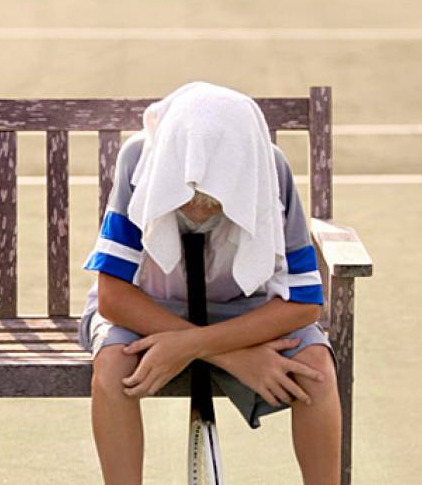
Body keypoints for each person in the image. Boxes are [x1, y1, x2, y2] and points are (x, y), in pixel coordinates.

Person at [80, 82, 342, 484]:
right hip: (151, 307)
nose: (198, 208)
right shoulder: (140, 156)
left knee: (316, 370)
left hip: (245, 310)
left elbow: (304, 302)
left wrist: (193, 345)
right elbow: (113, 297)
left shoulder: (269, 166)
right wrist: (234, 356)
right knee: (113, 364)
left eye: (214, 196)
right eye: (187, 191)